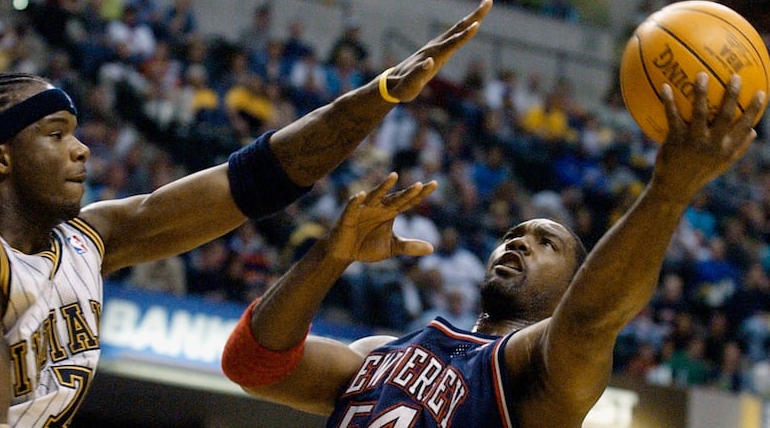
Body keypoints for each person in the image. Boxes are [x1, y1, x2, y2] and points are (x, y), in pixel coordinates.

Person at [0, 0, 493, 427]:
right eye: (55, 134)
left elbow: (257, 178)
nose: (81, 149)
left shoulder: (89, 239)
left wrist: (380, 95)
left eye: (74, 131)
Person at [221, 70, 765, 427]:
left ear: (574, 283)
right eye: (513, 235)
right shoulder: (378, 351)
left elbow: (590, 318)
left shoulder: (538, 377)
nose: (519, 242)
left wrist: (670, 189)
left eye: (544, 242)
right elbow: (251, 363)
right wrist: (330, 255)